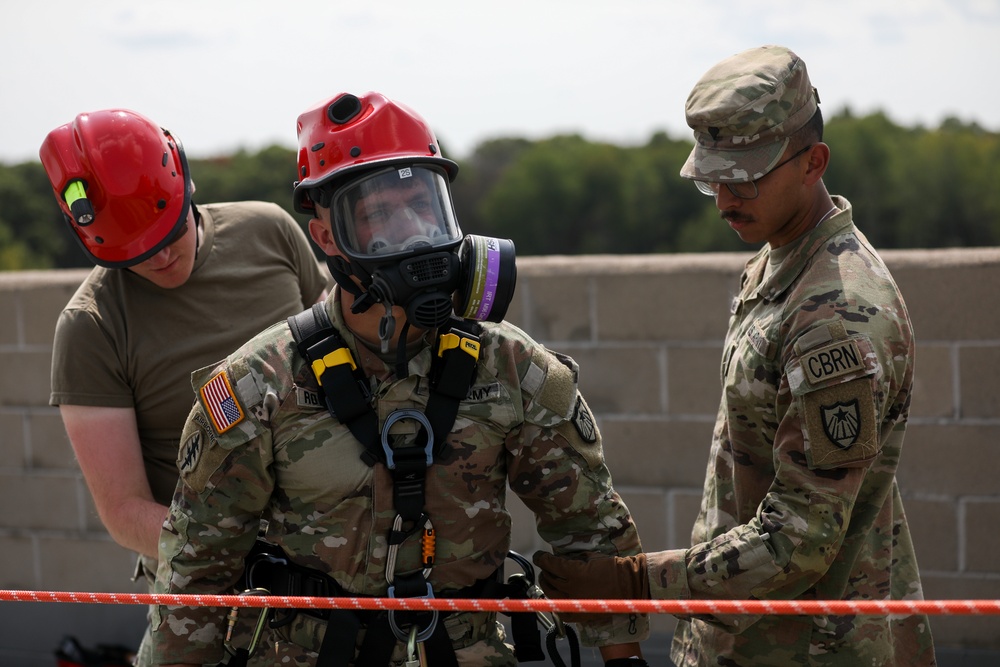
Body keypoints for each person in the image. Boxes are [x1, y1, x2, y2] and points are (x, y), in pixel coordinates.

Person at [148, 91, 649, 666]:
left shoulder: (510, 365)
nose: (413, 231)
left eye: (423, 205)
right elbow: (196, 571)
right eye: (380, 214)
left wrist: (625, 659)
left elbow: (589, 530)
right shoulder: (260, 385)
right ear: (328, 239)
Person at [532, 45, 937, 666]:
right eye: (711, 178)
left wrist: (634, 584)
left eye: (746, 176)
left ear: (813, 162)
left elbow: (800, 541)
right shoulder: (780, 262)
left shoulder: (835, 316)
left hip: (811, 649)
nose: (724, 198)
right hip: (745, 638)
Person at [39, 108, 329, 662]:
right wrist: (252, 552)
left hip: (336, 561)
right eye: (137, 255)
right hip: (210, 596)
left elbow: (339, 352)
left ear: (185, 181)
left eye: (169, 233)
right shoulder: (92, 326)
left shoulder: (269, 231)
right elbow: (124, 511)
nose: (163, 256)